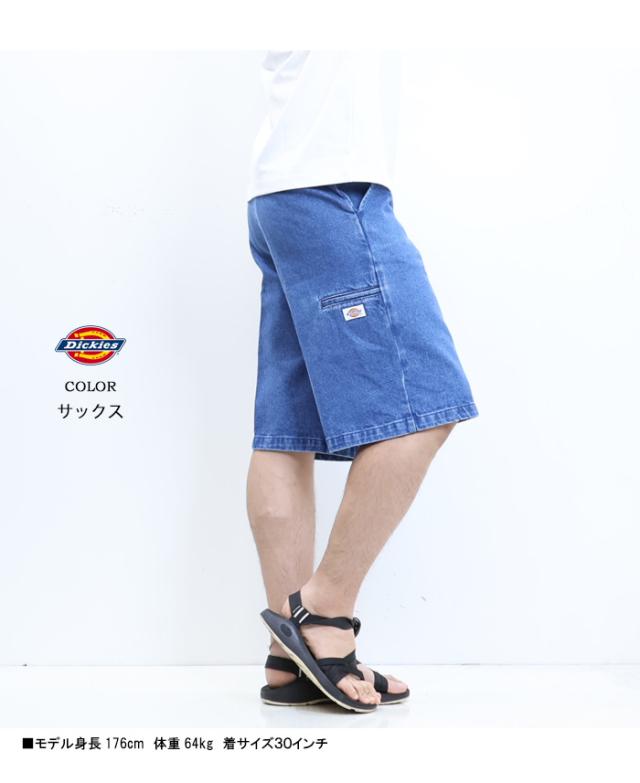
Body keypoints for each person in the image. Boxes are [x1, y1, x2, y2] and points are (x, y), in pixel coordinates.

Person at [245, 50, 479, 713]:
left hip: (278, 192)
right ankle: (322, 615)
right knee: (427, 405)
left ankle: (290, 653)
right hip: (333, 187)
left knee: (285, 431)